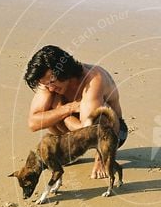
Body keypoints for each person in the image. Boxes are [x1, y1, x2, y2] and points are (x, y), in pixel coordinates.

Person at [23, 45, 128, 179]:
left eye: (52, 82)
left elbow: (91, 130)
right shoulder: (49, 82)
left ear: (65, 71)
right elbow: (33, 123)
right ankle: (71, 153)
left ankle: (101, 158)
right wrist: (67, 108)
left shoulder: (93, 80)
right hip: (78, 130)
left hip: (111, 133)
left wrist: (59, 111)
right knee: (49, 111)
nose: (50, 88)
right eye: (46, 84)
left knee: (99, 110)